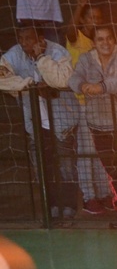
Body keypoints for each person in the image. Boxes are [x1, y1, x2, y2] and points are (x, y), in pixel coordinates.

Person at [0, 26, 81, 220]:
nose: (24, 43)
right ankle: (51, 205)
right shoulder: (16, 53)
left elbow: (62, 80)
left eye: (29, 38)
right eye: (21, 38)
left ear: (41, 39)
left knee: (66, 166)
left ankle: (68, 206)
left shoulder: (57, 52)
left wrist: (41, 59)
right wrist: (27, 85)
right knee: (43, 167)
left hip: (62, 121)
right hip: (35, 123)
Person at [68, 25, 117, 218]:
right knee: (112, 169)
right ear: (94, 43)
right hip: (98, 123)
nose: (105, 43)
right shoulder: (86, 59)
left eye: (109, 38)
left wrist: (101, 87)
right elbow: (74, 78)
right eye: (100, 39)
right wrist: (82, 85)